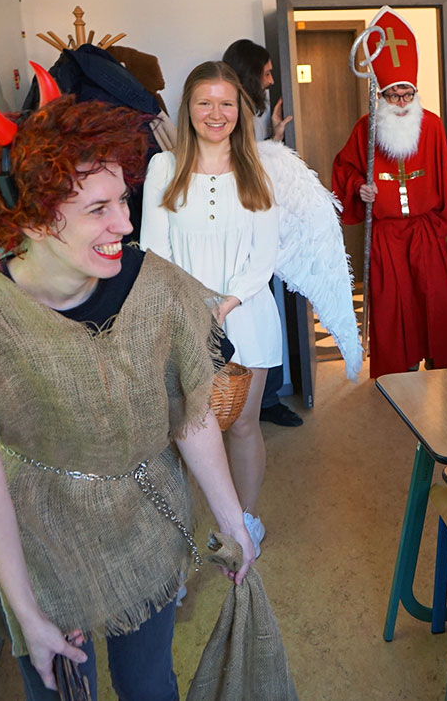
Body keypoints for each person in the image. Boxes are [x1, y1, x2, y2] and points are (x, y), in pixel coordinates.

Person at [0, 71, 254, 700]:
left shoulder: (152, 285)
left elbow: (191, 414)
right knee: (64, 691)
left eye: (123, 201)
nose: (123, 224)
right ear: (34, 220)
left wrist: (234, 519)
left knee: (150, 684)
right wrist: (27, 615)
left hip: (146, 524)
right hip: (41, 546)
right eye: (98, 210)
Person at [142, 61, 280, 557]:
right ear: (189, 108)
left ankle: (244, 523)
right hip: (182, 317)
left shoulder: (259, 167)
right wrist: (194, 306)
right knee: (184, 433)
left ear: (241, 109)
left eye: (226, 103)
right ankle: (180, 538)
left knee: (242, 424)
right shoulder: (164, 167)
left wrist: (228, 300)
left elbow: (265, 254)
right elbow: (154, 250)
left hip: (247, 312)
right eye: (205, 102)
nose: (216, 113)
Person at [331, 6, 447, 378]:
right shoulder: (366, 128)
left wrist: (446, 224)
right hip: (386, 237)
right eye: (394, 95)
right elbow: (344, 169)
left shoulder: (432, 126)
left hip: (425, 233)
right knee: (393, 309)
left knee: (436, 305)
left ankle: (444, 373)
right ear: (382, 95)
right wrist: (359, 188)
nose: (403, 102)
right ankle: (398, 377)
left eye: (409, 94)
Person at [222, 39, 303, 427]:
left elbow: (250, 162)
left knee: (256, 318)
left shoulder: (245, 112)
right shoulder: (233, 111)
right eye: (266, 73)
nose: (270, 81)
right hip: (243, 232)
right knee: (251, 318)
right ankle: (259, 402)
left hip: (253, 225)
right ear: (251, 73)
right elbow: (246, 168)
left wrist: (273, 137)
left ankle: (259, 400)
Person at [221, 38, 292, 142]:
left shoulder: (249, 113)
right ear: (250, 76)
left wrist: (277, 136)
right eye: (267, 74)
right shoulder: (227, 119)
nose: (271, 81)